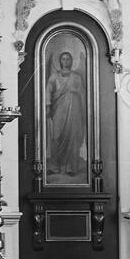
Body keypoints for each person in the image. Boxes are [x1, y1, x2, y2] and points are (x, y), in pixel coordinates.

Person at [46, 49, 87, 179]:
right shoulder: (54, 76)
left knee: (72, 138)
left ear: (71, 61)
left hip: (74, 111)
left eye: (68, 59)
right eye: (63, 59)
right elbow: (48, 91)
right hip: (58, 111)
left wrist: (76, 91)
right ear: (59, 61)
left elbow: (83, 94)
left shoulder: (76, 77)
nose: (65, 61)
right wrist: (47, 105)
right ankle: (54, 166)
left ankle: (71, 167)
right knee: (56, 137)